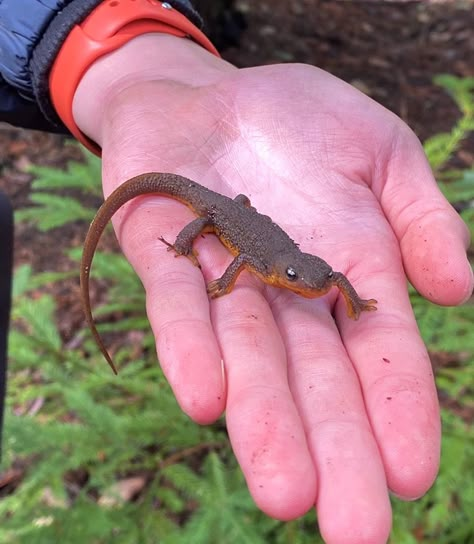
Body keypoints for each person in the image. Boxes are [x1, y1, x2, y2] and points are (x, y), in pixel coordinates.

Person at [1, 2, 472, 543]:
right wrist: (220, 280)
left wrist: (358, 302)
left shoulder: (313, 274)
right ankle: (182, 245)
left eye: (312, 280)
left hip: (243, 210)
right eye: (300, 280)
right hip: (224, 210)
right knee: (208, 227)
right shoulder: (267, 265)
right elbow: (246, 257)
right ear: (285, 274)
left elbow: (333, 279)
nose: (312, 288)